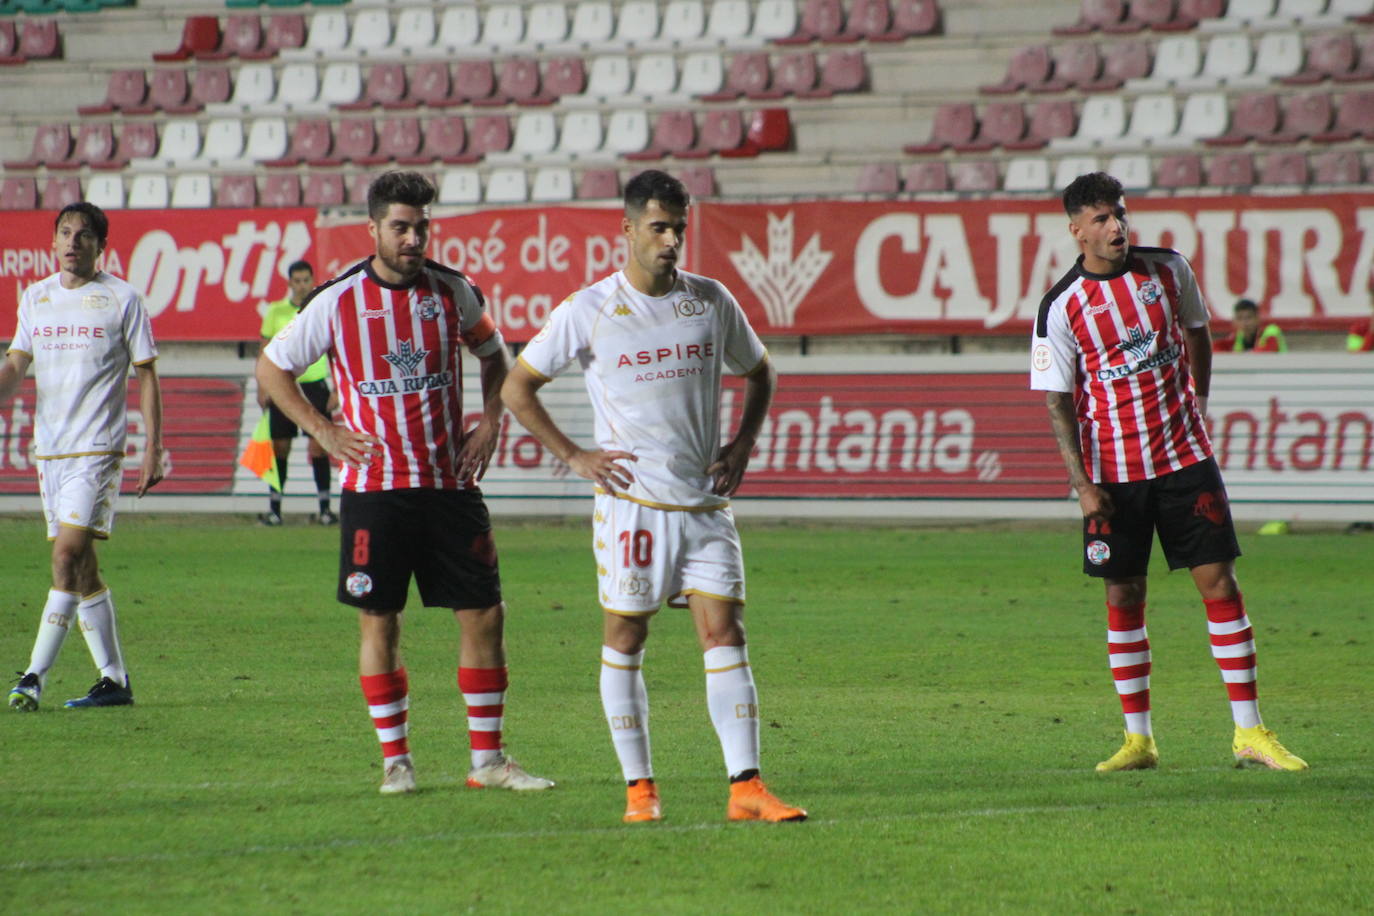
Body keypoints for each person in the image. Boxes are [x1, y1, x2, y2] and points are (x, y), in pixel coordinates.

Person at [502, 169, 806, 823]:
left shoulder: (710, 300)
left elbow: (761, 372)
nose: (670, 241)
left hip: (704, 504)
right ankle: (640, 789)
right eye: (658, 228)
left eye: (679, 229)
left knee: (725, 633)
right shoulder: (588, 308)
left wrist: (743, 446)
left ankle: (746, 788)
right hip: (631, 506)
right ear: (628, 228)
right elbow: (515, 389)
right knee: (626, 636)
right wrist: (576, 456)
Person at [256, 170, 552, 796]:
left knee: (484, 615)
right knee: (379, 621)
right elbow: (272, 367)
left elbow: (497, 356)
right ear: (373, 230)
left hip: (450, 484)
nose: (413, 238)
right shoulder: (336, 302)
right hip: (375, 489)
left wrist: (492, 420)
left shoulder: (454, 292)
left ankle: (489, 762)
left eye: (421, 227)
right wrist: (323, 430)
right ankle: (397, 761)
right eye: (401, 227)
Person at [1030, 172, 1308, 773]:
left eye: (1121, 214)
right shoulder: (1061, 306)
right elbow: (1056, 399)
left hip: (1184, 460)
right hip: (1114, 475)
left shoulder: (1169, 270)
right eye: (1101, 219)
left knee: (1221, 584)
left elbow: (1198, 334)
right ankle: (1139, 740)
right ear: (1076, 230)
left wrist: (1199, 405)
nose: (1116, 227)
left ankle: (1250, 733)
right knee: (1124, 593)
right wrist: (1082, 484)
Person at [5, 201, 164, 712]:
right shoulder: (36, 298)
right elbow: (15, 366)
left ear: (101, 247)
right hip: (50, 451)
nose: (73, 242)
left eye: (84, 235)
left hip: (97, 448)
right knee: (85, 569)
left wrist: (154, 446)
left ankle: (32, 677)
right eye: (65, 233)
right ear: (53, 242)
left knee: (65, 556)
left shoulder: (121, 298)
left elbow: (147, 374)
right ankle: (114, 680)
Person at [257, 259, 336, 526]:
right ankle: (275, 510)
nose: (302, 285)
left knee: (319, 447)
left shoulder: (321, 308)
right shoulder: (276, 311)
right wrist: (262, 386)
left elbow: (335, 350)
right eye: (297, 281)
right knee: (280, 447)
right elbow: (264, 350)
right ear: (290, 283)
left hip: (315, 385)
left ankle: (325, 510)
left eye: (306, 280)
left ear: (312, 281)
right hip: (283, 384)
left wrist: (337, 387)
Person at [1212, 298, 1287, 353]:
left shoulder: (1271, 332)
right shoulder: (1238, 338)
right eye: (1240, 318)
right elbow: (1216, 347)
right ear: (1234, 322)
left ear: (1257, 319)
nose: (1244, 322)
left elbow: (1267, 353)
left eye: (1249, 317)